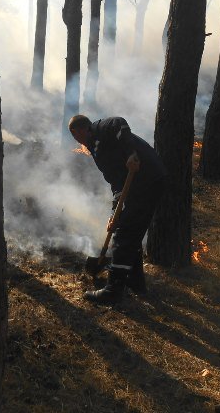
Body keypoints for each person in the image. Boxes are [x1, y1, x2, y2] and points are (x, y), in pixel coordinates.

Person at [68, 114, 167, 304]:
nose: (76, 141)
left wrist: (131, 153)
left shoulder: (102, 128)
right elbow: (116, 184)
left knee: (123, 235)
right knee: (131, 232)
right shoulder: (95, 151)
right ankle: (135, 281)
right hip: (142, 184)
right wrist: (115, 213)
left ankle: (113, 291)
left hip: (147, 180)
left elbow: (119, 123)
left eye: (74, 137)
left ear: (79, 131)